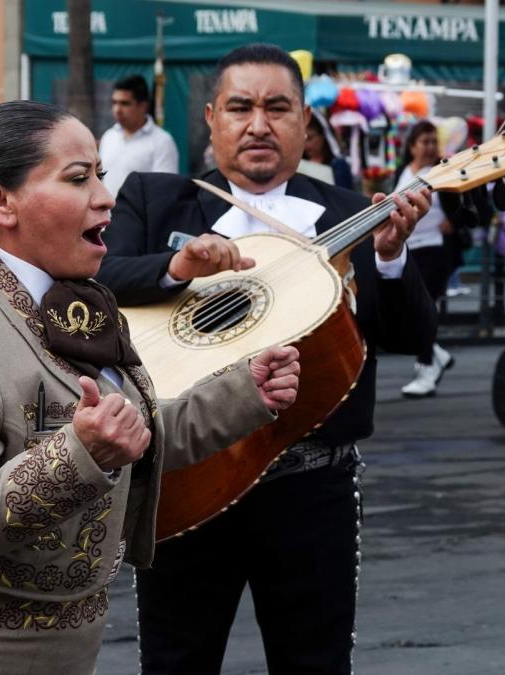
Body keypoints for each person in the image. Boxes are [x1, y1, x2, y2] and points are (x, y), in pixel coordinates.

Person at [0, 101, 299, 674]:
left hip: (64, 647)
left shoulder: (76, 298)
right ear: (0, 201)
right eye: (78, 178)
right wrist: (79, 456)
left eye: (101, 174)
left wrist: (243, 394)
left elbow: (128, 437)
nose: (105, 197)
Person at [94, 43, 436, 675]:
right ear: (212, 119)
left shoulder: (352, 214)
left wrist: (389, 257)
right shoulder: (154, 197)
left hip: (312, 484)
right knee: (175, 660)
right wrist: (174, 266)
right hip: (186, 470)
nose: (259, 124)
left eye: (278, 108)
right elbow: (94, 282)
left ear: (305, 122)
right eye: (240, 107)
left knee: (315, 662)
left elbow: (414, 334)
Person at [394, 120, 462, 398]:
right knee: (406, 309)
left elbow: (462, 201)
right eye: (425, 141)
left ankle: (426, 369)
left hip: (436, 248)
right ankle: (436, 354)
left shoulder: (441, 171)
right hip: (409, 248)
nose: (431, 147)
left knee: (424, 309)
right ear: (412, 146)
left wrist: (453, 221)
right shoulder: (403, 171)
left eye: (434, 141)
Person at [98, 74, 179, 198]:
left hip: (140, 217)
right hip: (106, 215)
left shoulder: (162, 142)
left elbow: (164, 190)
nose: (117, 109)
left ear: (143, 106)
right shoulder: (109, 137)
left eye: (124, 103)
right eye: (114, 102)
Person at [300, 108, 353, 189]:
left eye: (310, 138)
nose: (305, 145)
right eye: (302, 138)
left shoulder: (338, 166)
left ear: (323, 136)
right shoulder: (298, 165)